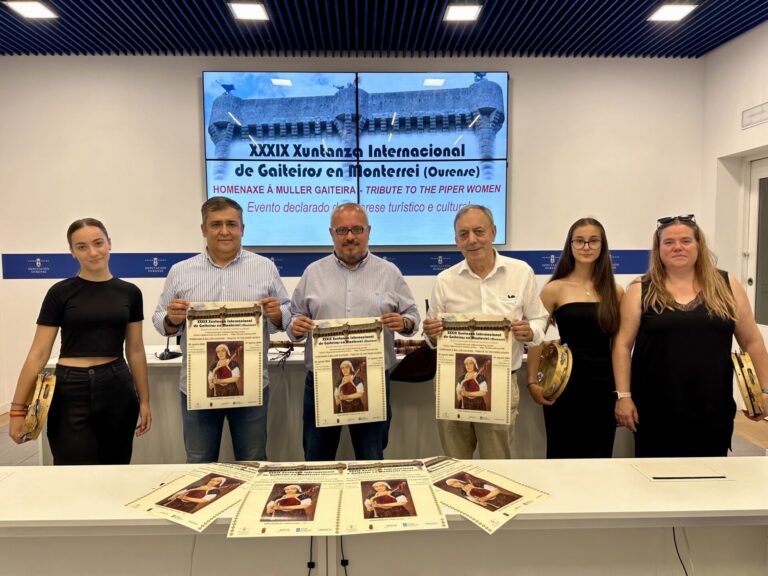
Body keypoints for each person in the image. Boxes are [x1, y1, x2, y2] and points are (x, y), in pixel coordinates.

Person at [613, 215, 768, 457]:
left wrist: (764, 391)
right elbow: (622, 346)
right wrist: (624, 396)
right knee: (655, 485)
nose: (677, 247)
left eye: (685, 241)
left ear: (698, 245)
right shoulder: (641, 289)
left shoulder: (727, 285)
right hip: (656, 410)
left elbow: (752, 341)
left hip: (712, 408)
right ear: (658, 249)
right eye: (669, 242)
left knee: (709, 482)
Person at [153, 197, 290, 463]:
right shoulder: (180, 271)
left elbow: (285, 315)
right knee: (198, 461)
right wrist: (171, 319)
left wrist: (277, 315)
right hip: (197, 386)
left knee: (253, 460)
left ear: (242, 228)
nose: (224, 231)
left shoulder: (265, 268)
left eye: (231, 224)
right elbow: (161, 320)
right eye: (216, 224)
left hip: (251, 384)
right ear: (203, 229)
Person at [8, 218, 151, 464]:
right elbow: (38, 354)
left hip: (117, 387)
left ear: (109, 244)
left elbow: (135, 350)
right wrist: (17, 410)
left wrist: (145, 400)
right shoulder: (59, 293)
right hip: (69, 390)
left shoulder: (130, 292)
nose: (93, 252)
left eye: (98, 243)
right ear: (73, 253)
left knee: (116, 469)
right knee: (71, 472)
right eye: (82, 246)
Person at [289, 203, 420, 461]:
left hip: (371, 379)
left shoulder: (389, 272)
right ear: (332, 233)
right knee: (318, 459)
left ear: (368, 231)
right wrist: (296, 326)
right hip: (322, 381)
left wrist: (403, 323)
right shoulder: (313, 273)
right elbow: (294, 317)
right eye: (342, 230)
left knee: (371, 458)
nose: (350, 236)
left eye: (357, 229)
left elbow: (413, 317)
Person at [423, 205, 548, 459]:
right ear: (456, 240)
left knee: (497, 463)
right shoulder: (445, 280)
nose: (472, 240)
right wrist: (431, 332)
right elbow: (431, 335)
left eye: (479, 231)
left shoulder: (521, 272)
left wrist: (529, 331)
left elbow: (539, 320)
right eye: (464, 234)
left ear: (493, 231)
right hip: (452, 385)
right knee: (455, 463)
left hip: (501, 381)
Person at [526, 218, 623, 458]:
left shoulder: (616, 290)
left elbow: (621, 345)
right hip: (564, 383)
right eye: (579, 241)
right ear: (570, 245)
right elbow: (536, 336)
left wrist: (623, 392)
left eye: (593, 241)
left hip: (604, 385)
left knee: (600, 455)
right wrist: (532, 382)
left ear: (602, 246)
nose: (586, 246)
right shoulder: (554, 289)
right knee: (562, 454)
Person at [162, 476, 228, 514]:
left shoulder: (214, 490)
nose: (212, 481)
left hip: (187, 506)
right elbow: (185, 490)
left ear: (220, 483)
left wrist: (186, 498)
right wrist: (174, 496)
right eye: (212, 479)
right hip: (176, 501)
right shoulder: (200, 486)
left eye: (216, 481)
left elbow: (204, 501)